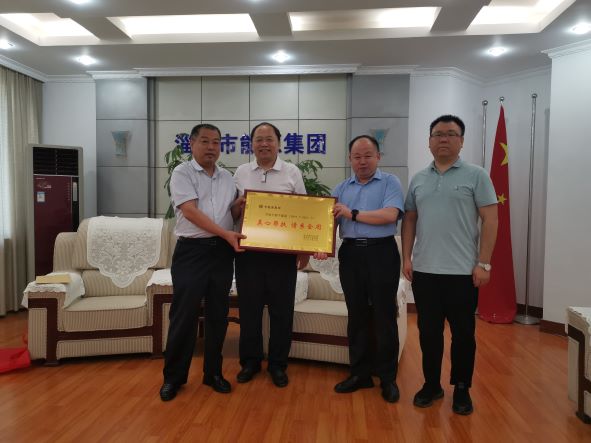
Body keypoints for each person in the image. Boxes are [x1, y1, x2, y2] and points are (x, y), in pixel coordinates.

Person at [401, 114, 498, 415]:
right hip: (425, 272)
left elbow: (491, 219)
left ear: (461, 141)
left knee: (463, 335)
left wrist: (484, 264)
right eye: (438, 134)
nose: (443, 139)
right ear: (429, 141)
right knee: (428, 334)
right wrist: (407, 257)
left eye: (451, 134)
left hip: (462, 273)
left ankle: (462, 388)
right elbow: (410, 220)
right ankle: (432, 384)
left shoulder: (477, 175)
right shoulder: (419, 179)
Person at [159, 123, 245, 402]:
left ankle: (213, 373)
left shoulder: (228, 178)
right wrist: (225, 233)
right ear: (192, 144)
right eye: (205, 141)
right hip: (192, 252)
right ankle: (173, 378)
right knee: (184, 315)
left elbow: (229, 216)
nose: (211, 147)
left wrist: (239, 208)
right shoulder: (182, 172)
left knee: (218, 315)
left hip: (221, 253)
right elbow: (191, 212)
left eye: (216, 142)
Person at [323, 134, 405, 403]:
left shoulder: (390, 182)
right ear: (350, 159)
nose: (362, 161)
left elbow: (390, 215)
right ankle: (360, 374)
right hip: (351, 254)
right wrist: (320, 244)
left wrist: (353, 213)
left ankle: (388, 378)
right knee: (356, 315)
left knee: (384, 315)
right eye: (357, 157)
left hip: (382, 252)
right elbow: (328, 223)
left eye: (368, 156)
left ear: (378, 157)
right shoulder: (341, 187)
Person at [233, 122, 308, 388]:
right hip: (248, 253)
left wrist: (304, 251)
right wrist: (238, 205)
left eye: (269, 139)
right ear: (251, 144)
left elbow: (305, 211)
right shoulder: (241, 172)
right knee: (249, 310)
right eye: (259, 139)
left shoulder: (292, 172)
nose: (264, 144)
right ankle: (250, 362)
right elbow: (232, 214)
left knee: (281, 311)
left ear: (278, 143)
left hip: (281, 256)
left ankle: (277, 364)